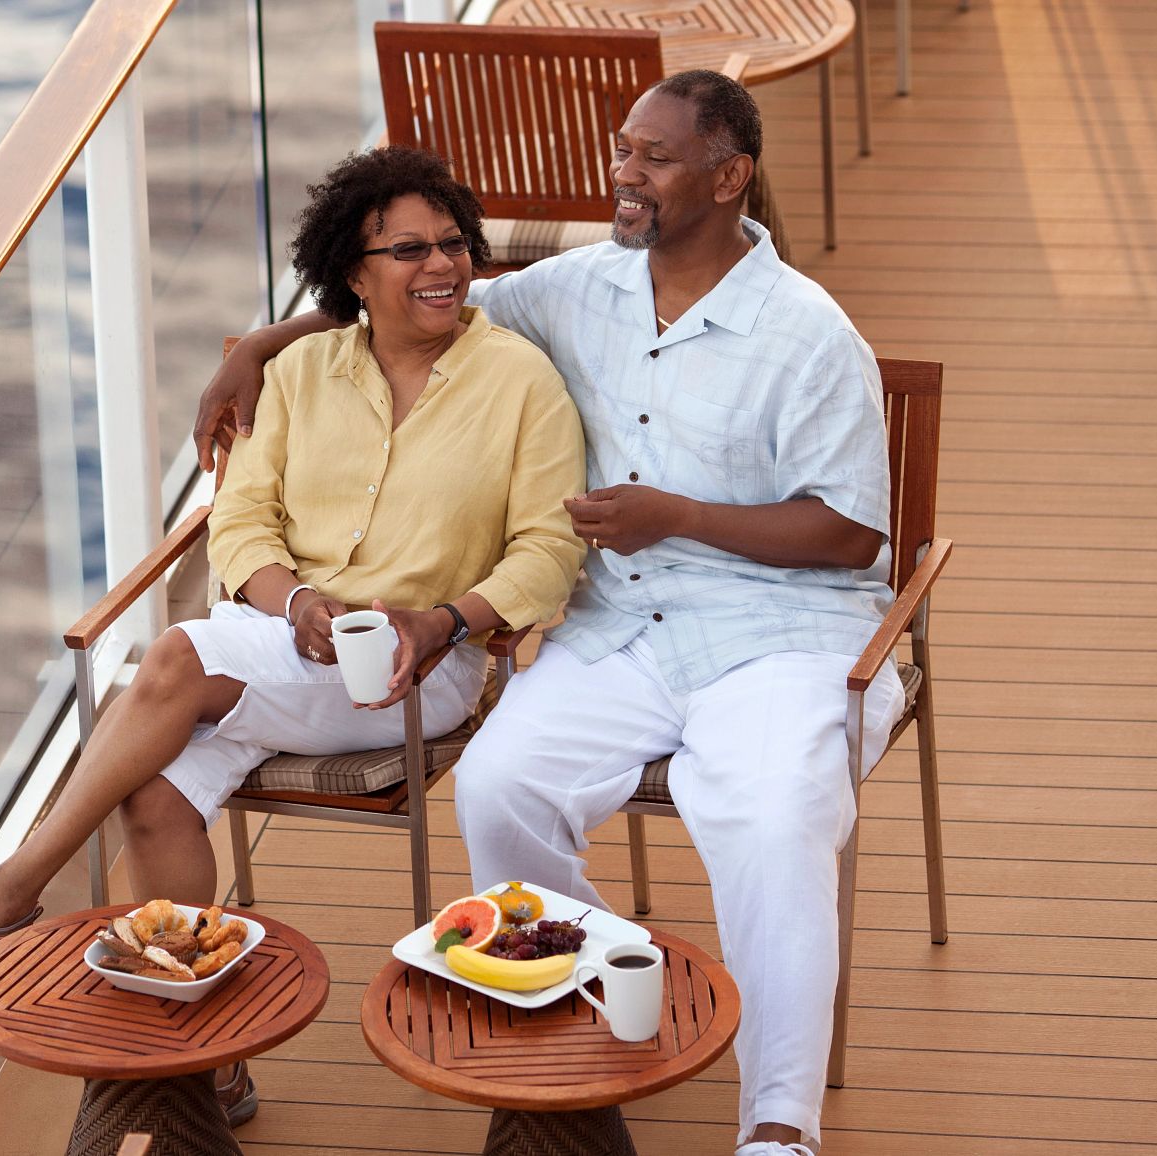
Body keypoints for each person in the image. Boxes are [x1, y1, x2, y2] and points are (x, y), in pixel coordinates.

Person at [192, 73, 900, 1156]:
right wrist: (258, 345)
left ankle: (776, 1126)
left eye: (652, 157)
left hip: (778, 633)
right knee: (499, 783)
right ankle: (598, 1015)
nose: (622, 172)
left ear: (728, 175)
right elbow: (424, 297)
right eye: (622, 148)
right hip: (613, 627)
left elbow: (850, 535)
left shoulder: (807, 333)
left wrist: (678, 517)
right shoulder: (584, 286)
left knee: (768, 817)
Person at [0, 147, 585, 1122]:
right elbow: (238, 524)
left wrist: (443, 620)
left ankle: (5, 893)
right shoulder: (306, 370)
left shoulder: (517, 379)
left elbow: (549, 548)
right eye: (407, 248)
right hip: (274, 643)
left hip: (415, 669)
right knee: (151, 797)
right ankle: (211, 1053)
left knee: (174, 658)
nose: (439, 264)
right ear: (351, 273)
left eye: (451, 243)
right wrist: (295, 605)